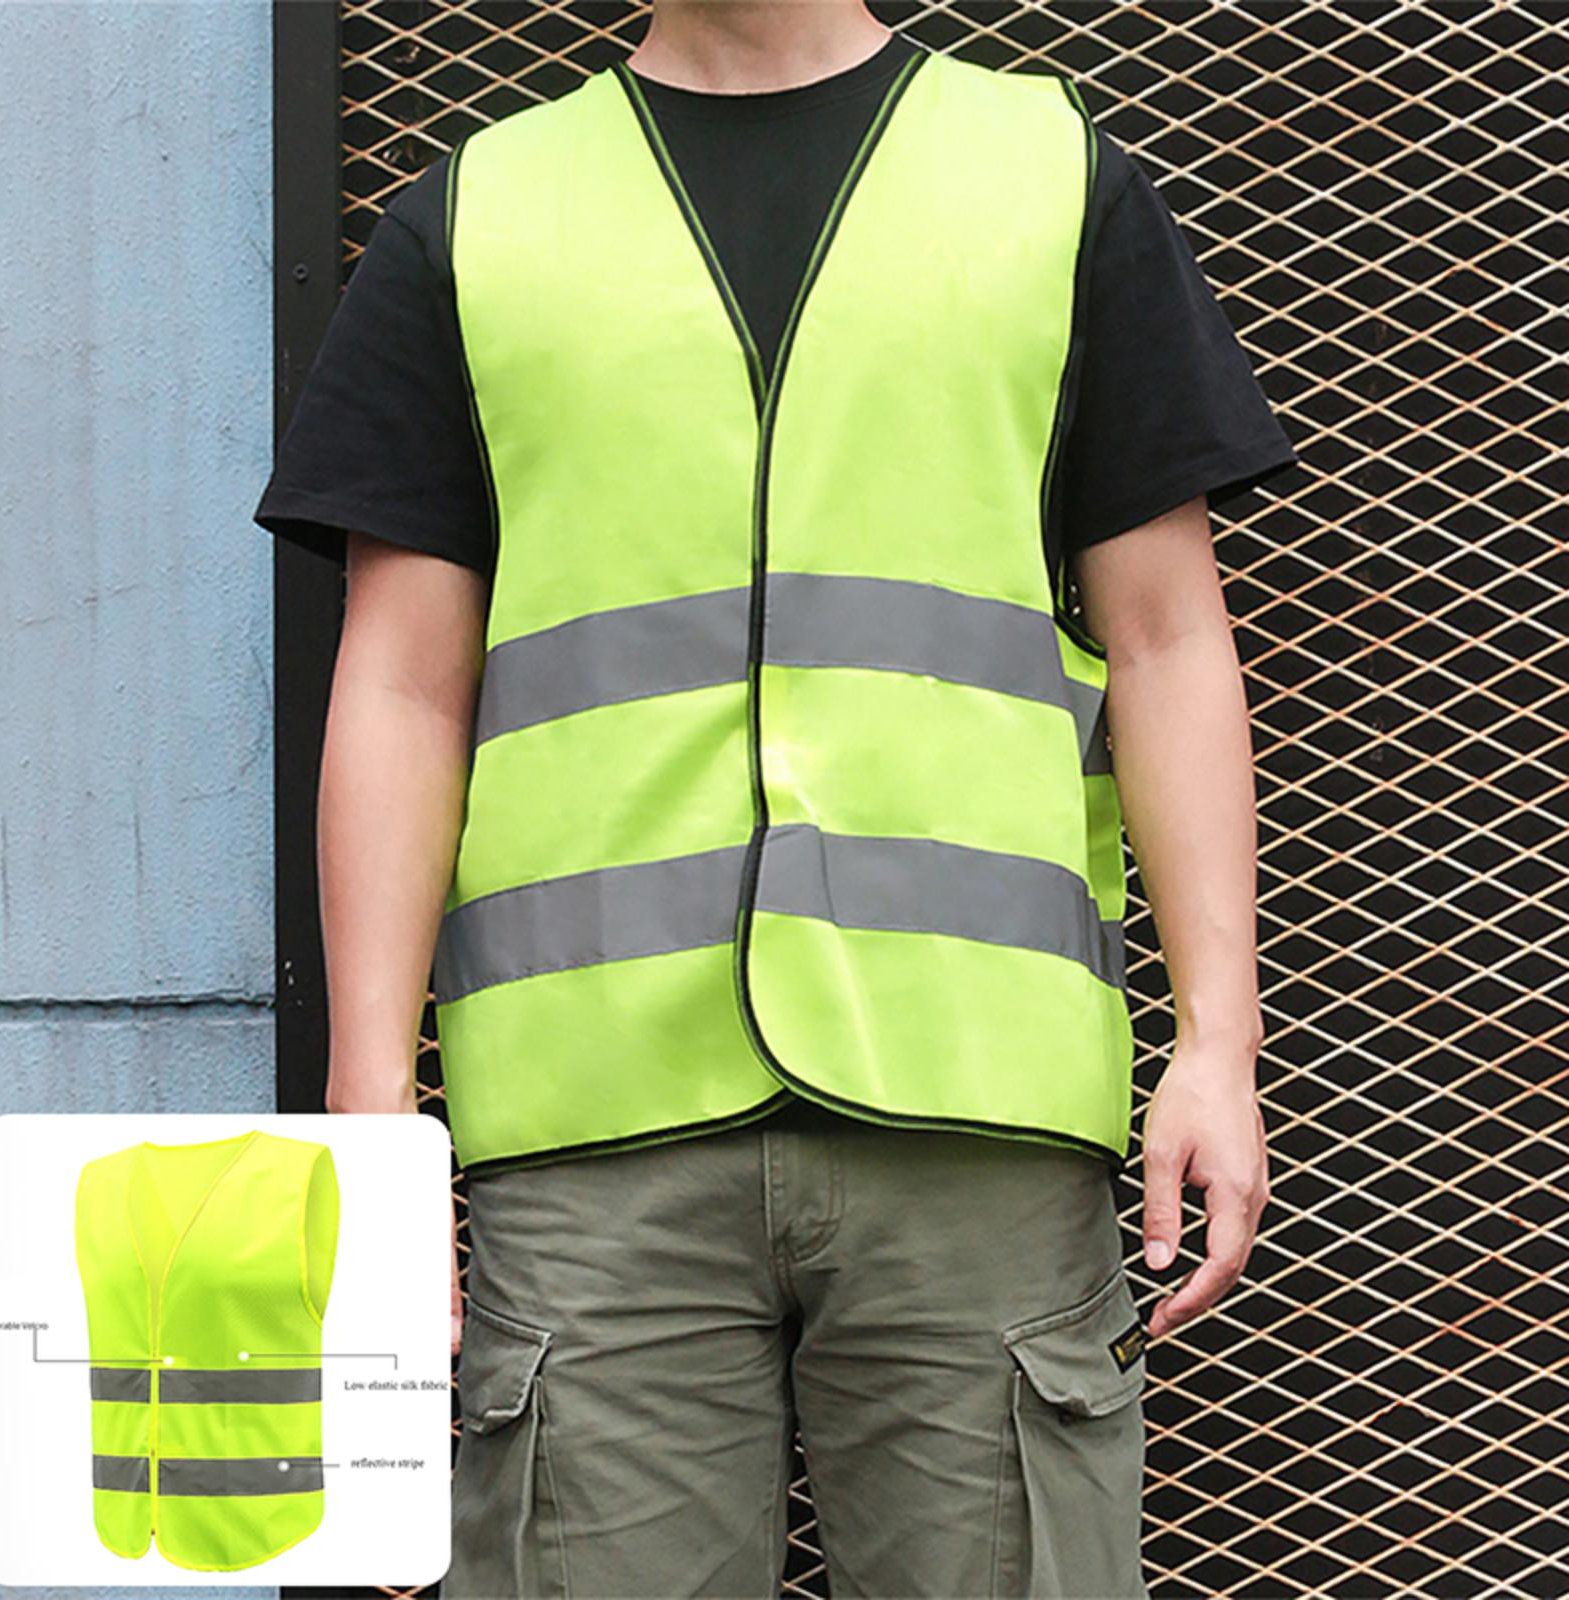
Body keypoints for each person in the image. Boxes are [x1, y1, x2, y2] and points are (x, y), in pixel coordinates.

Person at [255, 5, 1296, 1595]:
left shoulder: (1051, 178)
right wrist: (372, 1123)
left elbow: (1168, 639)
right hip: (593, 1136)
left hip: (977, 1110)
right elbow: (401, 687)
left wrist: (1221, 1039)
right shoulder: (476, 217)